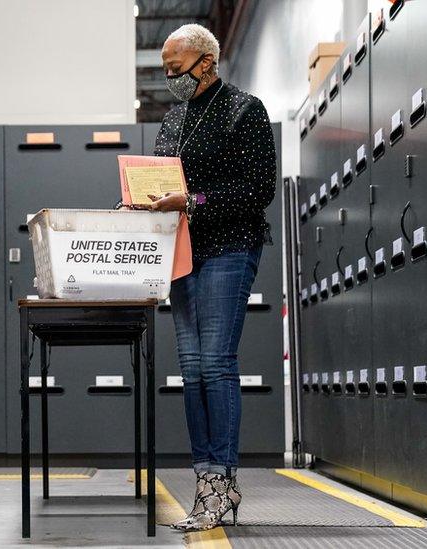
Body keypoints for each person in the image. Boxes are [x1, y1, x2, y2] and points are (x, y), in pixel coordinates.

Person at [145, 23, 277, 531]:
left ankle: (221, 480)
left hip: (228, 249)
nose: (171, 78)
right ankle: (207, 479)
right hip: (182, 254)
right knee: (192, 367)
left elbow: (258, 188)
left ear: (207, 61)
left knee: (217, 363)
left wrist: (193, 201)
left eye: (176, 69)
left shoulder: (244, 110)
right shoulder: (174, 120)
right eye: (166, 70)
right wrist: (144, 202)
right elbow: (161, 177)